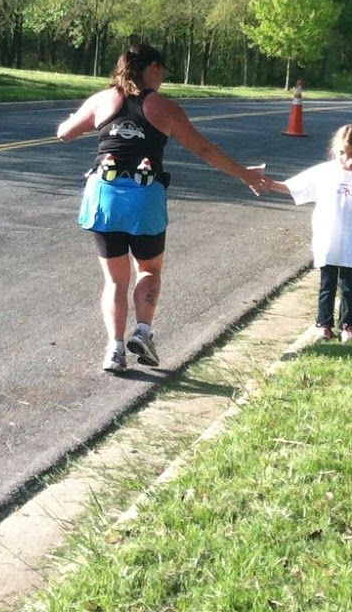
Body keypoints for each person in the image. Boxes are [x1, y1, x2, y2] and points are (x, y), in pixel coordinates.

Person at [57, 40, 284, 373]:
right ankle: (143, 332)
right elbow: (204, 150)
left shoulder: (103, 99)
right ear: (152, 69)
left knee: (115, 281)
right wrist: (245, 175)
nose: (162, 79)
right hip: (144, 196)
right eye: (161, 72)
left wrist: (96, 121)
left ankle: (115, 351)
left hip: (103, 195)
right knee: (148, 270)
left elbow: (64, 133)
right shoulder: (163, 107)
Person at [285, 123, 352, 342]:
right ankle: (324, 324)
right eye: (341, 152)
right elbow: (296, 186)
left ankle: (348, 325)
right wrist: (267, 183)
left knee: (349, 286)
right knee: (327, 284)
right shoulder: (325, 172)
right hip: (328, 238)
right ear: (334, 149)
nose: (345, 158)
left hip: (351, 240)